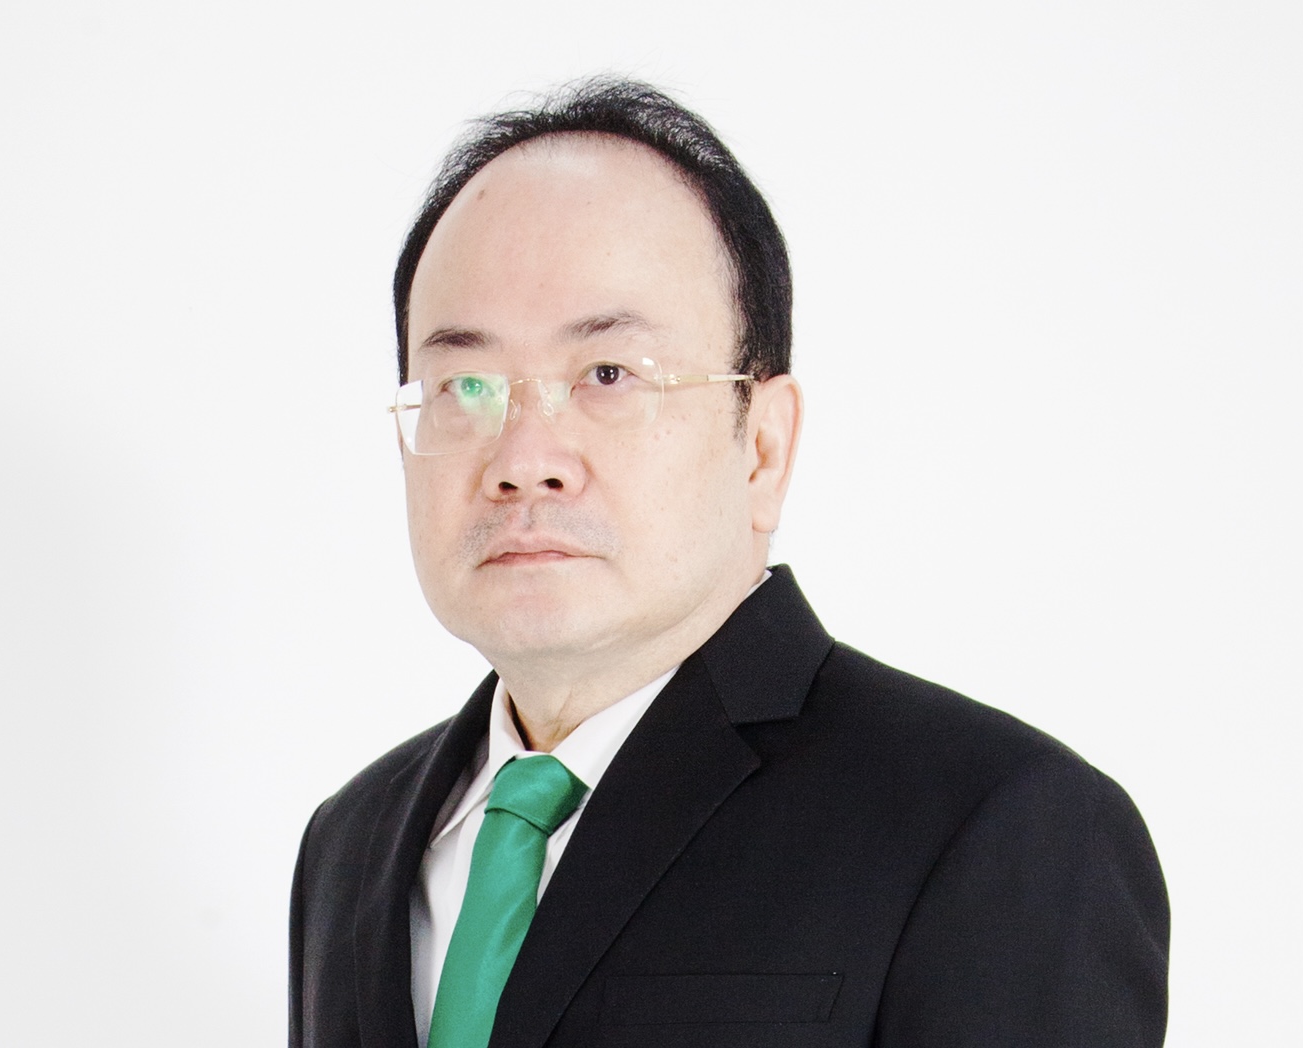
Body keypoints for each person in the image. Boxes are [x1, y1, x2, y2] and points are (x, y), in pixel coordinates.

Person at [289, 77, 1169, 1048]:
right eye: (464, 384)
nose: (523, 459)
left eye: (608, 374)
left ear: (763, 445)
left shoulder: (998, 829)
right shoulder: (350, 845)